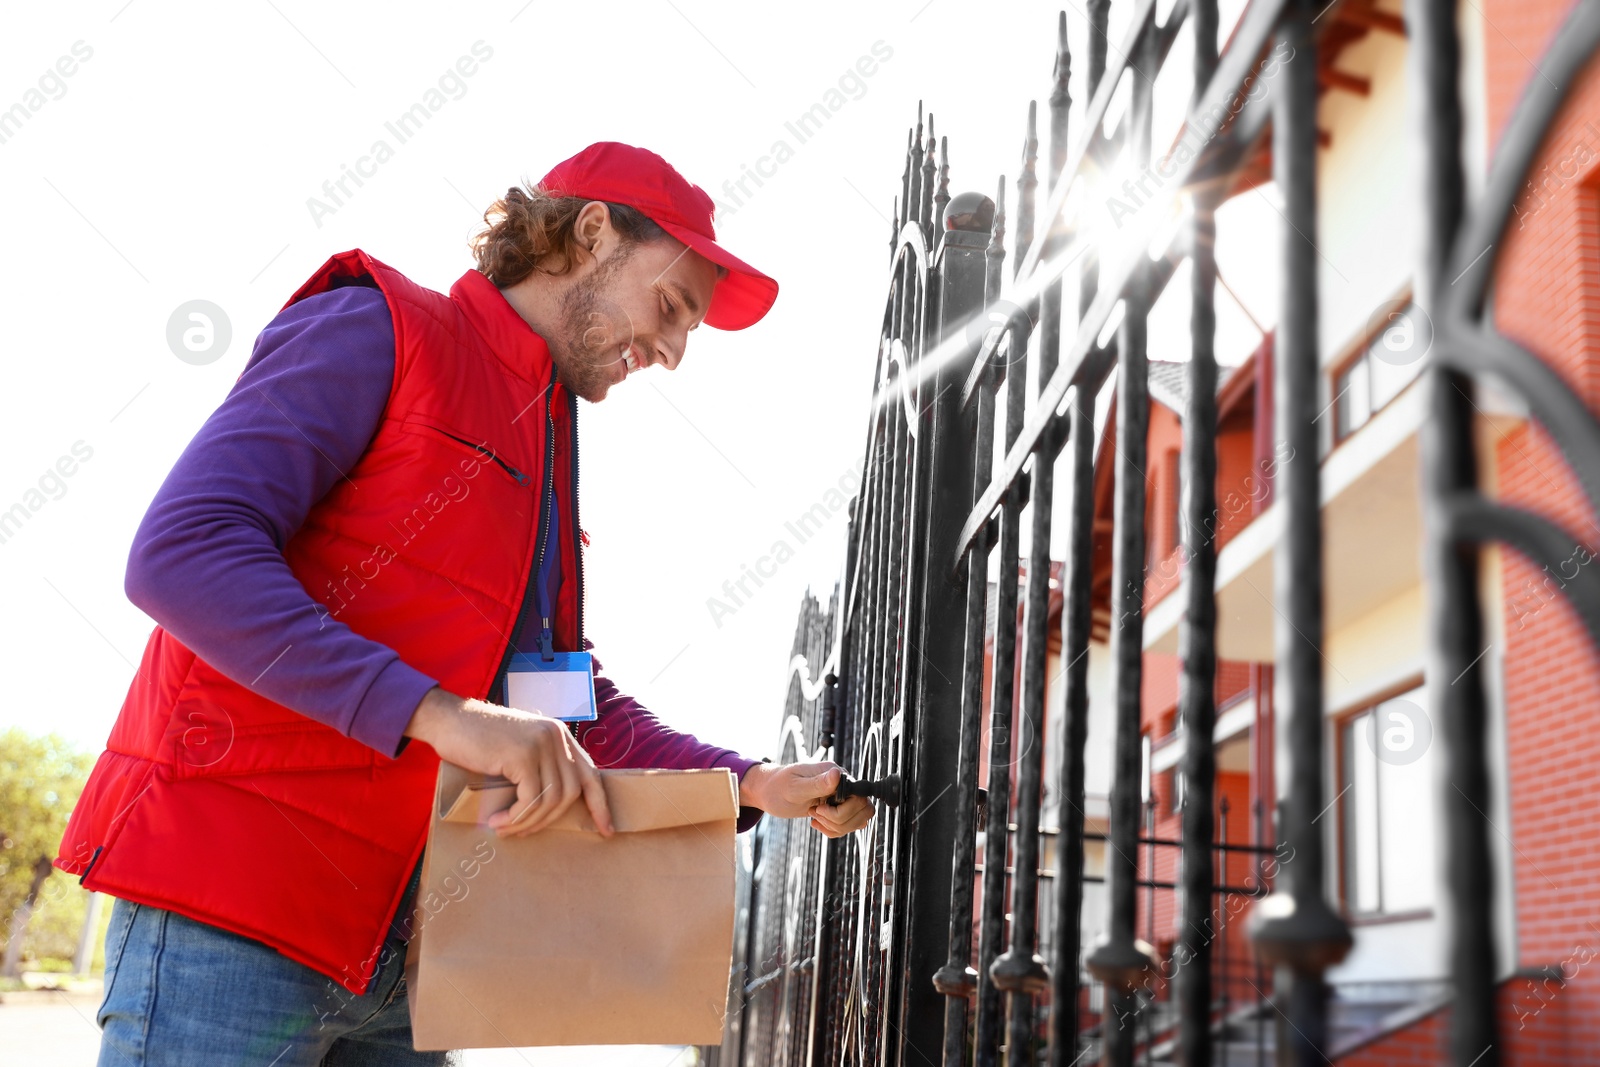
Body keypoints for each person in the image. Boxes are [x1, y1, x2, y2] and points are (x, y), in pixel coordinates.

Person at [55, 141, 875, 1066]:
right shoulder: (380, 328)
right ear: (593, 234)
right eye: (672, 306)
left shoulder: (547, 451)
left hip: (410, 970)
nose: (675, 351)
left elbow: (552, 706)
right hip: (233, 916)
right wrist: (442, 716)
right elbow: (183, 553)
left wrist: (747, 782)